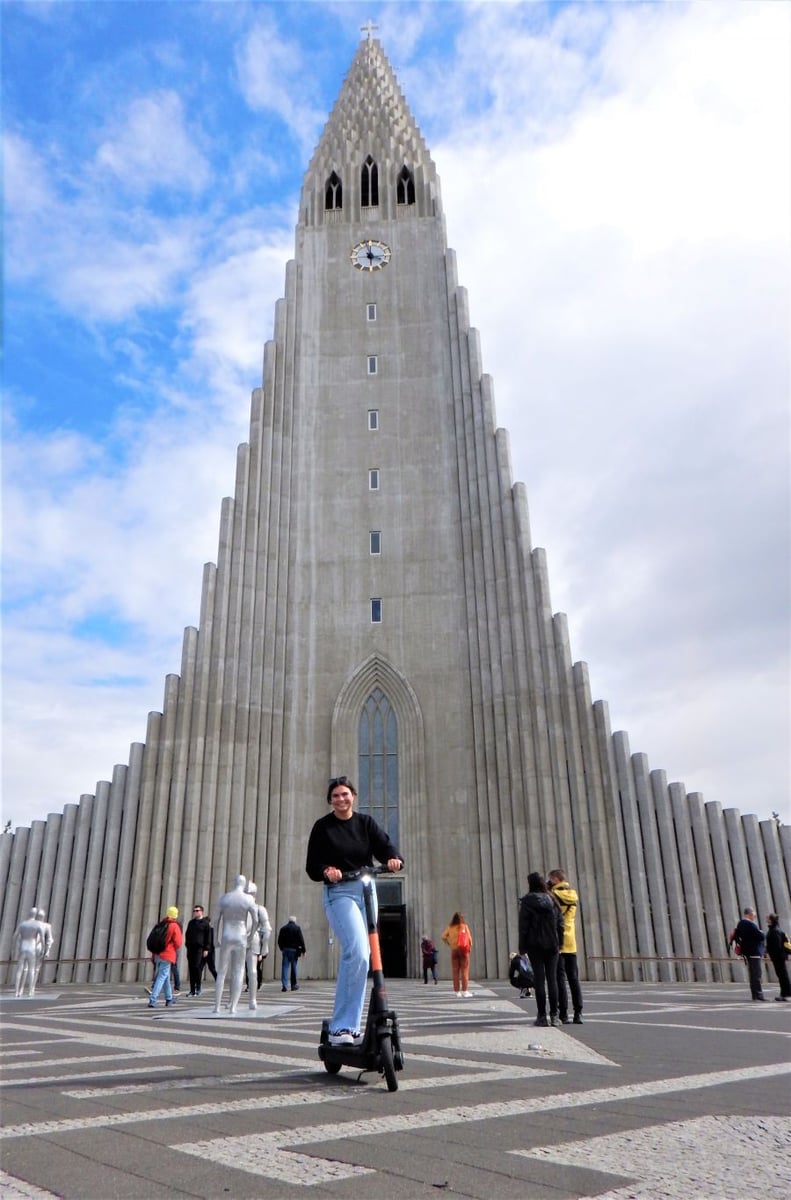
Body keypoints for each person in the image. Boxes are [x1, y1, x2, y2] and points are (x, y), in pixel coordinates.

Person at [306, 774, 403, 1046]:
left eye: (345, 794)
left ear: (353, 796)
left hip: (367, 890)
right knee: (358, 952)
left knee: (369, 955)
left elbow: (384, 845)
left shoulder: (366, 823)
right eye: (335, 795)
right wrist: (328, 870)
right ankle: (341, 1027)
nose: (341, 799)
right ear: (330, 801)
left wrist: (393, 859)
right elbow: (312, 865)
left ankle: (353, 1026)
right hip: (340, 893)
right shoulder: (323, 827)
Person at [519, 871, 563, 1026]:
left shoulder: (527, 901)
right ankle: (555, 1016)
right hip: (552, 944)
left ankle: (542, 1016)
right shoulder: (552, 899)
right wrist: (561, 943)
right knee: (552, 979)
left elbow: (523, 926)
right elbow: (560, 924)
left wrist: (522, 946)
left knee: (539, 980)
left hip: (534, 944)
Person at [212, 875, 258, 1015]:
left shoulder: (225, 898)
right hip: (241, 936)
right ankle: (233, 1007)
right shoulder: (248, 899)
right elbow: (255, 921)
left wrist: (215, 939)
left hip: (226, 935)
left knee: (221, 972)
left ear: (234, 883)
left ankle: (217, 1006)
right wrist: (250, 936)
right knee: (238, 972)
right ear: (244, 885)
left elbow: (215, 920)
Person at [547, 868, 583, 1024]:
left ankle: (563, 1014)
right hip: (571, 941)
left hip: (558, 940)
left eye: (550, 879)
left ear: (555, 879)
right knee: (574, 979)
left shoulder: (553, 895)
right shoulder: (573, 894)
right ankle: (579, 1013)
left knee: (559, 979)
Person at [244, 880, 272, 1008]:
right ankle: (252, 1000)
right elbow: (267, 930)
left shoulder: (258, 909)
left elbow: (267, 929)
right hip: (250, 940)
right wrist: (264, 948)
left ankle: (251, 1000)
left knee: (248, 970)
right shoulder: (257, 908)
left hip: (247, 940)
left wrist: (264, 948)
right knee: (250, 970)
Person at [148, 906, 183, 1008]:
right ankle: (153, 999)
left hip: (157, 954)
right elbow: (178, 943)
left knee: (165, 978)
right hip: (167, 954)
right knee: (162, 977)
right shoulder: (174, 926)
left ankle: (169, 998)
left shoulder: (161, 924)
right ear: (175, 915)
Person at [732, 907, 766, 1001]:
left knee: (752, 973)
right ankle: (758, 994)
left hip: (747, 951)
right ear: (749, 914)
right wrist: (761, 932)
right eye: (753, 915)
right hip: (754, 951)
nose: (754, 916)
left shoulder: (740, 923)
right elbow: (761, 936)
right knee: (756, 974)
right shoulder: (750, 924)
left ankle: (755, 994)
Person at [441, 912, 473, 997]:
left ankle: (457, 992)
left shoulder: (450, 927)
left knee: (455, 971)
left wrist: (449, 943)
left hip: (454, 950)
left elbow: (443, 936)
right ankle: (465, 991)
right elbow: (469, 939)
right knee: (464, 971)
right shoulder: (464, 926)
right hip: (463, 951)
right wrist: (469, 949)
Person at [14, 910, 44, 998]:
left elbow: (15, 936)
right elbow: (42, 938)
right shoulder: (37, 925)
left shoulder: (22, 924)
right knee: (31, 970)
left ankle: (17, 991)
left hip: (23, 946)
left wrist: (14, 948)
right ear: (35, 915)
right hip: (31, 947)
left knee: (19, 970)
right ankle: (30, 991)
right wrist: (43, 948)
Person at [185, 904, 213, 996]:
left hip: (200, 949)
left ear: (201, 912)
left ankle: (198, 988)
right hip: (191, 948)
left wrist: (206, 949)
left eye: (197, 910)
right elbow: (187, 934)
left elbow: (208, 936)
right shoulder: (191, 923)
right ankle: (192, 989)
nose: (195, 912)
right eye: (194, 911)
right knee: (191, 968)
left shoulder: (205, 923)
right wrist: (187, 945)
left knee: (197, 967)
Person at [765, 913, 790, 1001]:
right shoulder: (774, 929)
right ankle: (784, 993)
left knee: (782, 975)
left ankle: (785, 993)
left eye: (768, 918)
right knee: (782, 975)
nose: (766, 919)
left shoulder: (775, 931)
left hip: (778, 957)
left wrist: (773, 953)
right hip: (778, 957)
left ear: (771, 920)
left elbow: (777, 945)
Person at [277, 915, 307, 991]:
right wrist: (304, 950)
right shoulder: (297, 928)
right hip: (294, 951)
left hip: (285, 950)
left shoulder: (283, 928)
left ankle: (284, 986)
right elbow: (301, 940)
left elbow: (279, 940)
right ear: (295, 921)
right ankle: (293, 985)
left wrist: (282, 948)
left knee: (285, 967)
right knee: (294, 968)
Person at [33, 908, 54, 990]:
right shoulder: (33, 924)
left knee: (35, 968)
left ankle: (31, 987)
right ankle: (28, 987)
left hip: (37, 946)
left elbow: (49, 939)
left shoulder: (46, 926)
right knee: (30, 968)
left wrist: (47, 950)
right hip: (34, 946)